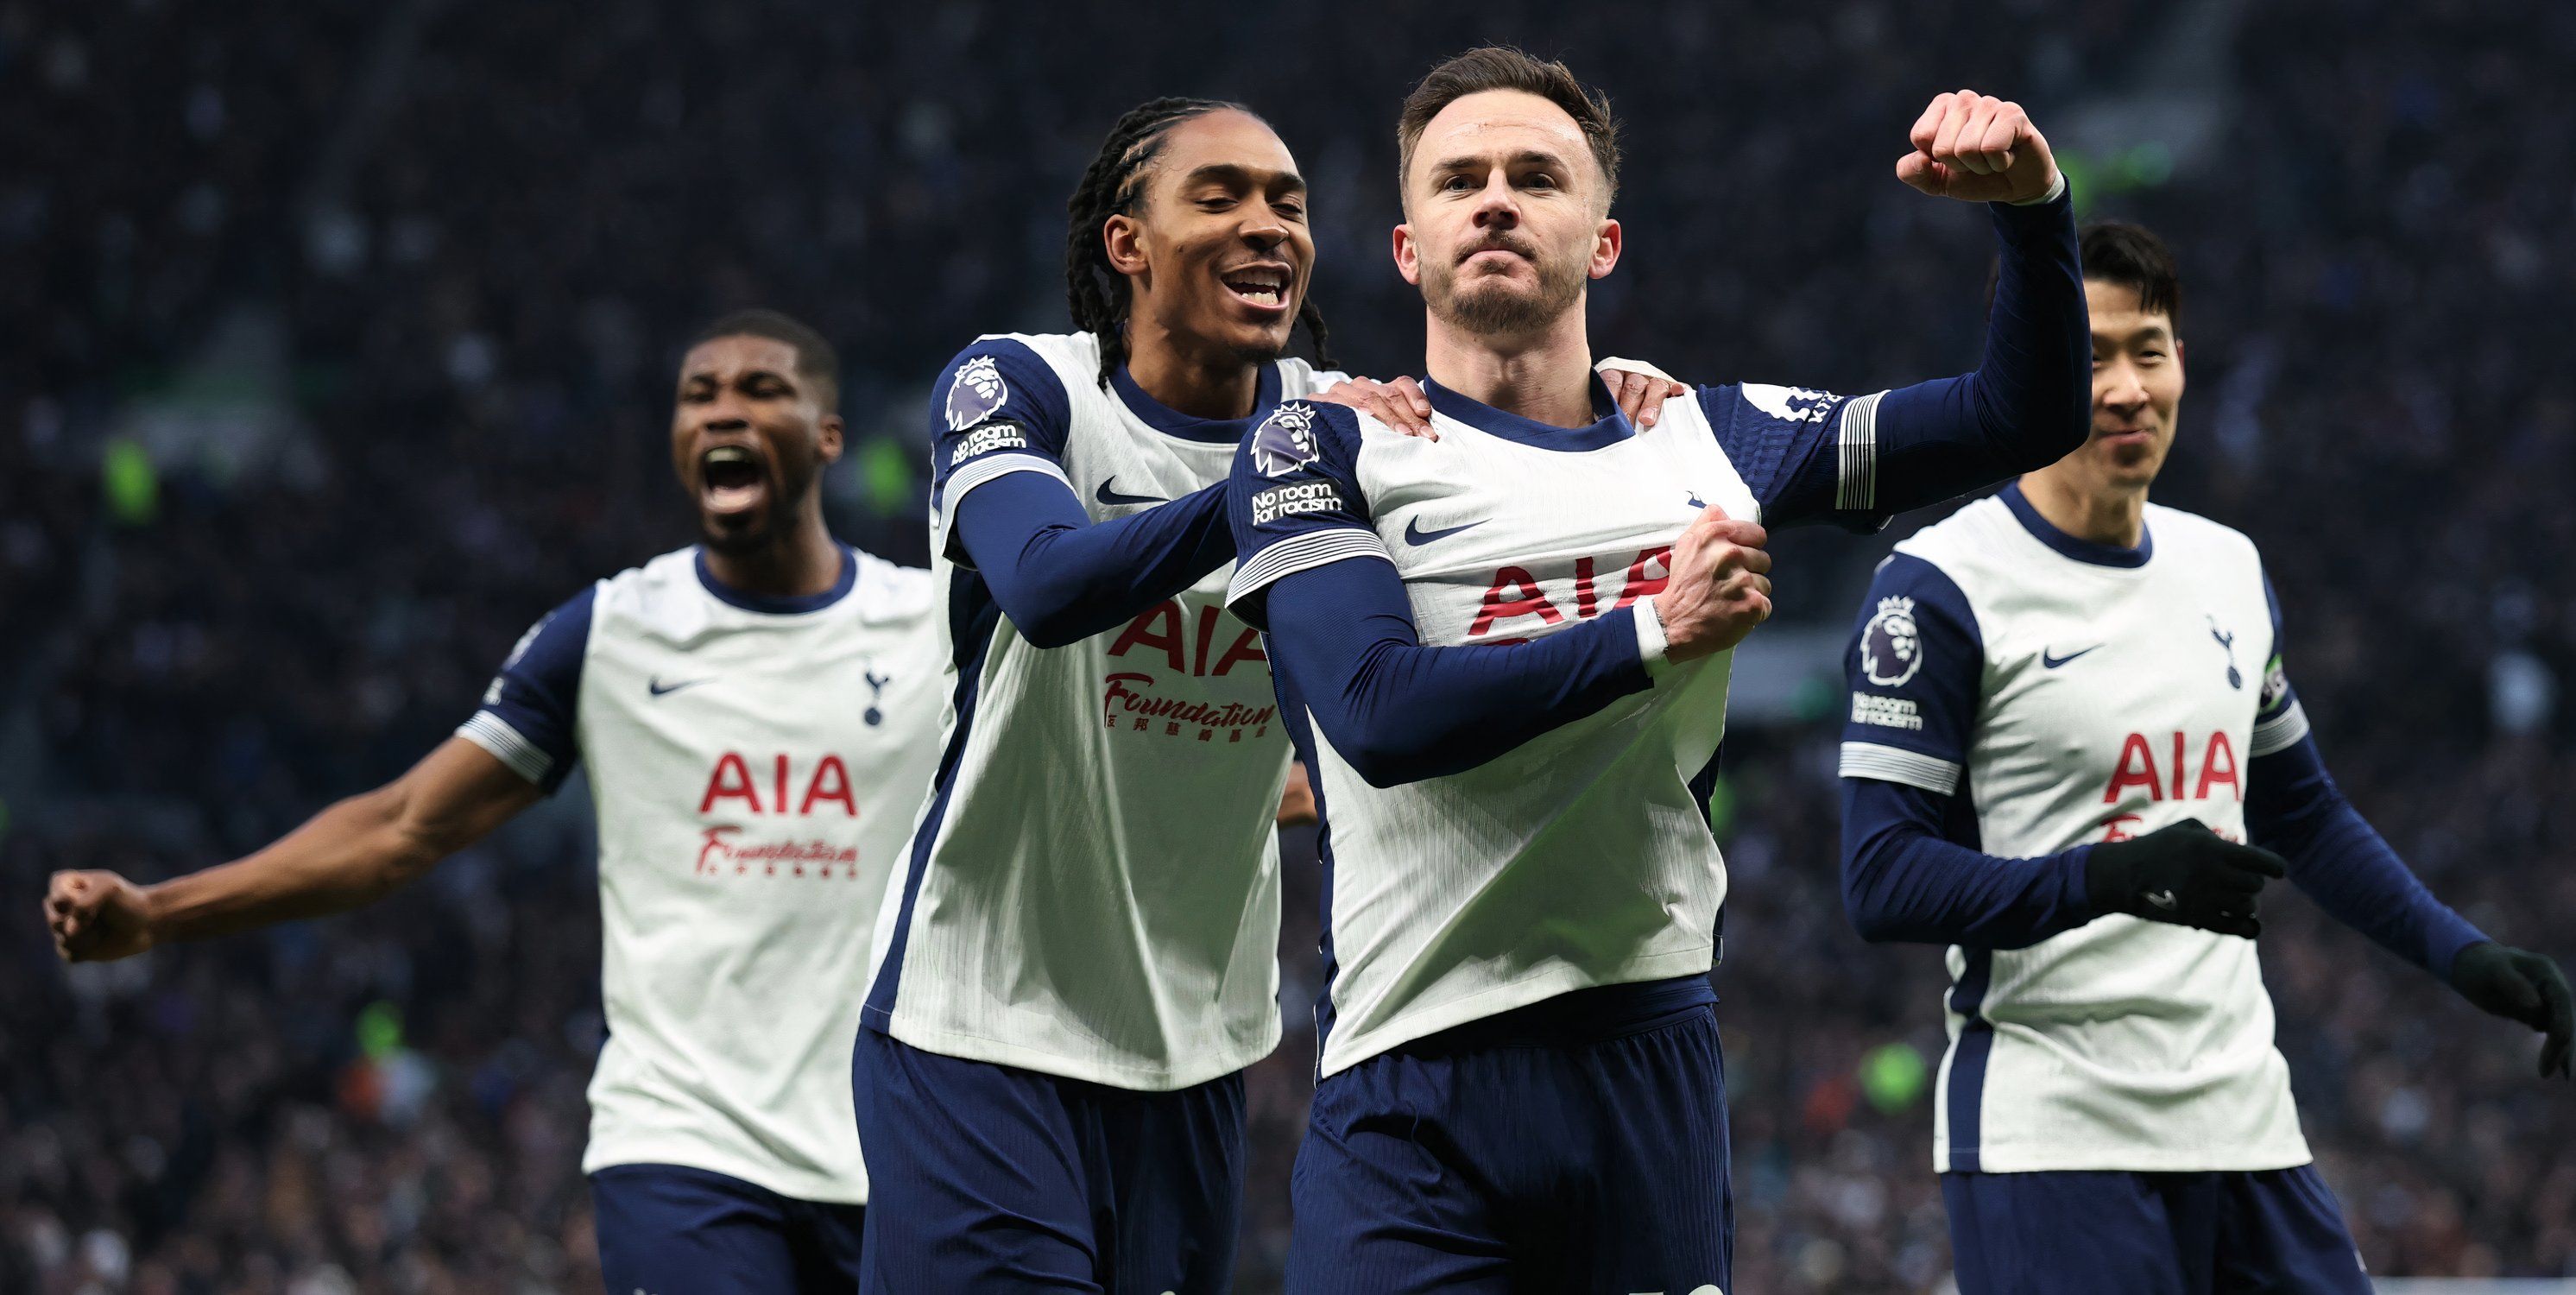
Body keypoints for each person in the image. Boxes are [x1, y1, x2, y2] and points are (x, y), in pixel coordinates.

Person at [1220, 47, 2093, 1292]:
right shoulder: (1324, 445)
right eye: (1458, 179)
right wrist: (1652, 631)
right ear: (1408, 249)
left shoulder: (1704, 436)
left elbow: (2023, 415)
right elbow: (1376, 712)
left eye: (1537, 175)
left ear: (1605, 241)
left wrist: (2034, 213)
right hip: (1410, 1086)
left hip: (1646, 1064)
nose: (1497, 199)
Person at [852, 96, 1676, 1292]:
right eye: (1220, 196)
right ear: (1126, 244)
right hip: (979, 1026)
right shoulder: (1027, 389)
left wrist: (1619, 407)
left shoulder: (1347, 425)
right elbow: (1043, 584)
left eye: (1287, 203)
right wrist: (1271, 480)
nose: (1269, 226)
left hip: (1195, 1046)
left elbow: (1503, 536)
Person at [47, 311, 947, 1294]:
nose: (724, 410)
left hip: (894, 1149)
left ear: (828, 435)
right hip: (687, 1146)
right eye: (700, 394)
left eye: (762, 390)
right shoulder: (609, 634)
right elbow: (399, 826)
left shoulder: (930, 629)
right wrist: (157, 911)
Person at [1834, 221, 2576, 1294]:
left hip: (2246, 1120)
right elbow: (1880, 879)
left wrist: (2462, 956)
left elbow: (2304, 815)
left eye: (2152, 348)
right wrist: (2110, 875)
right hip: (2054, 1134)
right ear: (2022, 365)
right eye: (2089, 355)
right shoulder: (1939, 587)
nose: (2130, 387)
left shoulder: (2227, 568)